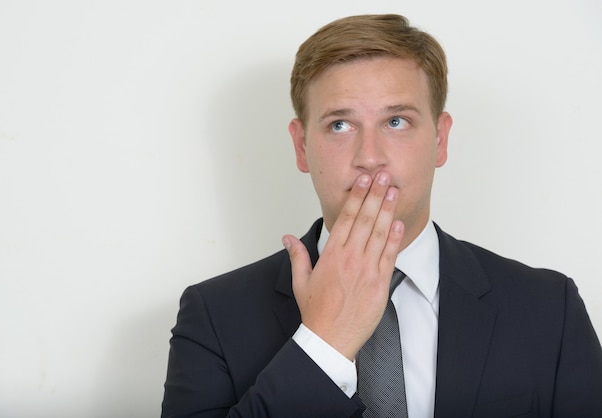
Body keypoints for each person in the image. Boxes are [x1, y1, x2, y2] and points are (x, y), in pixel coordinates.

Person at [161, 14, 602, 417]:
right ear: (301, 146)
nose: (369, 157)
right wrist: (325, 343)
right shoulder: (212, 316)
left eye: (396, 121)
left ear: (441, 140)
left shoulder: (550, 309)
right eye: (340, 124)